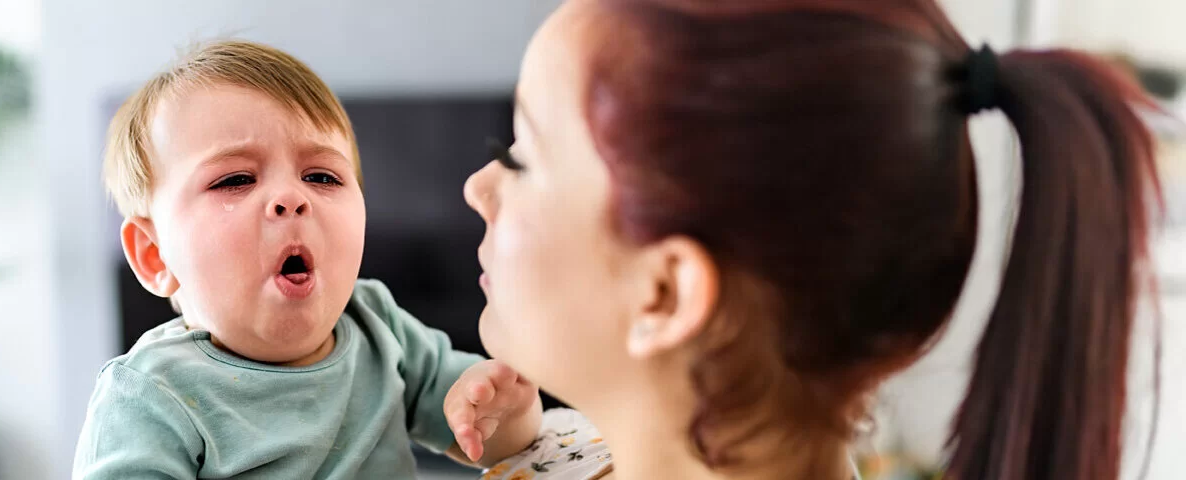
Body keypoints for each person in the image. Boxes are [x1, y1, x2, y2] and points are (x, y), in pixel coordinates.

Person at [464, 0, 1160, 479]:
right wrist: (521, 441)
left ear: (666, 293)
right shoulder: (593, 449)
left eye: (522, 154)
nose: (478, 186)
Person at [73, 40, 542, 479]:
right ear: (156, 255)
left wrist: (511, 412)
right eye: (235, 179)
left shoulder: (378, 324)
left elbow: (483, 440)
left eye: (321, 175)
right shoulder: (149, 398)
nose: (290, 198)